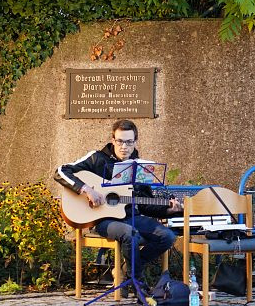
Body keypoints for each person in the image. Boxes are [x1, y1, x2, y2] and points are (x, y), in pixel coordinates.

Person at [55, 119, 179, 286]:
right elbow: (61, 171)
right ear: (113, 140)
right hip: (102, 220)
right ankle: (138, 284)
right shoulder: (97, 158)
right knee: (130, 233)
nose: (124, 146)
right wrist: (86, 189)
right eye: (120, 141)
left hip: (130, 217)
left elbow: (143, 204)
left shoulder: (139, 167)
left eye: (129, 142)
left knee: (168, 236)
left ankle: (127, 270)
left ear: (135, 142)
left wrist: (167, 211)